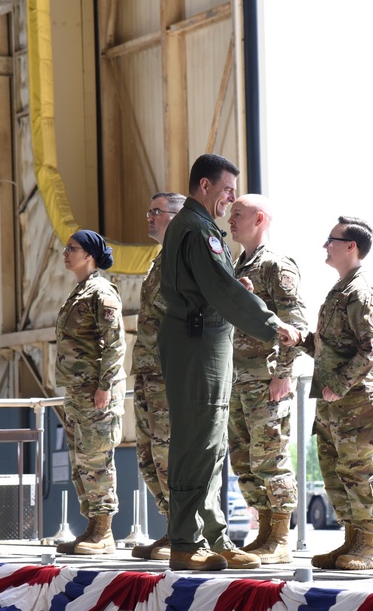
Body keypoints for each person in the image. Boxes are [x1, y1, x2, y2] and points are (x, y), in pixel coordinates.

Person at [158, 153, 301, 571]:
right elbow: (222, 291)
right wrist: (272, 323)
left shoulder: (196, 228)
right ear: (204, 186)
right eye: (226, 191)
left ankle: (212, 538)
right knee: (198, 442)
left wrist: (233, 291)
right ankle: (186, 541)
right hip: (197, 342)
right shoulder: (198, 230)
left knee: (211, 444)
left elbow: (213, 287)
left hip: (204, 340)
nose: (229, 200)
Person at [301, 217, 373, 570]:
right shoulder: (340, 290)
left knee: (358, 470)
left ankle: (367, 545)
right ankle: (351, 539)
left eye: (331, 240)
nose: (326, 246)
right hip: (333, 404)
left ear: (351, 246)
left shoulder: (361, 291)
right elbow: (334, 348)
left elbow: (370, 349)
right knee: (336, 472)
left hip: (357, 402)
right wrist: (303, 341)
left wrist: (337, 386)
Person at [226, 194, 308, 564]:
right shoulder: (232, 267)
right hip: (237, 379)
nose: (231, 220)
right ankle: (263, 532)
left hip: (265, 379)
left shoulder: (276, 266)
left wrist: (284, 373)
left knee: (270, 458)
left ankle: (279, 537)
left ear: (260, 219)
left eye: (238, 214)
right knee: (243, 461)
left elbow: (297, 325)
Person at [54, 229, 126, 555]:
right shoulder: (80, 292)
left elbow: (115, 344)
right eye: (66, 248)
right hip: (78, 392)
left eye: (72, 248)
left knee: (97, 460)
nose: (65, 253)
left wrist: (105, 386)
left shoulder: (101, 292)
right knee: (81, 462)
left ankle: (104, 532)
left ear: (89, 255)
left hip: (95, 392)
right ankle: (91, 528)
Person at [131, 192, 185, 561]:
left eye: (157, 212)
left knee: (170, 455)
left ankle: (185, 533)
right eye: (148, 211)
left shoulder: (184, 259)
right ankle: (171, 528)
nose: (149, 218)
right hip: (148, 373)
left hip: (170, 374)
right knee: (150, 457)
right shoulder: (159, 261)